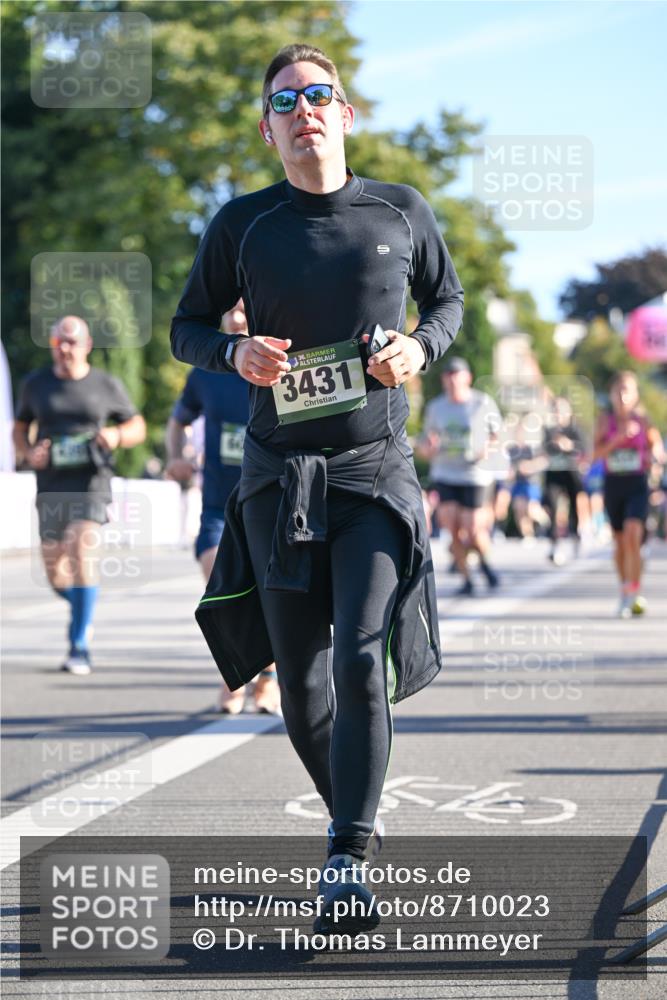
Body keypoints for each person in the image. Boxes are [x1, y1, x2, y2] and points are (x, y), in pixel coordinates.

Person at [170, 43, 464, 934]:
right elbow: (184, 327)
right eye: (286, 99)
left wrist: (420, 347)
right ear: (268, 129)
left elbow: (448, 304)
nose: (305, 109)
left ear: (346, 112)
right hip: (275, 480)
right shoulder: (242, 225)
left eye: (320, 94)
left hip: (372, 470)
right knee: (298, 687)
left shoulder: (399, 209)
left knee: (356, 657)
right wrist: (233, 353)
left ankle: (347, 855)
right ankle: (352, 819)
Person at [13, 316, 146, 674]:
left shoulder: (105, 384)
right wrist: (28, 454)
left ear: (87, 345)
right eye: (60, 342)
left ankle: (79, 645)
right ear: (53, 345)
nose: (66, 349)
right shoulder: (35, 385)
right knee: (56, 572)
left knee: (82, 547)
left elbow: (137, 426)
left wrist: (117, 437)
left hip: (92, 481)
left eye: (73, 342)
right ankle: (81, 606)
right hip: (51, 484)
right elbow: (20, 428)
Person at [166, 300, 280, 714]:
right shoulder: (207, 372)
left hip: (269, 502)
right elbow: (178, 421)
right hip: (217, 506)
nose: (235, 319)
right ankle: (235, 675)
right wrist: (176, 456)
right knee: (222, 583)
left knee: (267, 595)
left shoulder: (279, 368)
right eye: (229, 311)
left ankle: (265, 679)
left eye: (245, 310)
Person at [417, 357, 501, 596]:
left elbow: (498, 435)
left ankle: (485, 562)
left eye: (457, 375)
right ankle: (467, 579)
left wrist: (487, 449)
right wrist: (428, 448)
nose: (453, 380)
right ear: (444, 380)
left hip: (475, 474)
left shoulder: (482, 403)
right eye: (448, 375)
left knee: (473, 529)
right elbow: (425, 442)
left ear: (467, 378)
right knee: (451, 525)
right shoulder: (436, 407)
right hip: (445, 472)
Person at [593, 371, 664, 618]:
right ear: (612, 394)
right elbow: (595, 454)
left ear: (635, 395)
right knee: (621, 543)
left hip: (637, 484)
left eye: (627, 391)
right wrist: (618, 440)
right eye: (618, 390)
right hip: (613, 484)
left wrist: (655, 456)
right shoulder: (605, 420)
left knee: (634, 535)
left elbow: (657, 446)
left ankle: (633, 593)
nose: (622, 396)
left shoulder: (644, 420)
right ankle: (625, 590)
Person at [542, 396, 587, 565]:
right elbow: (543, 450)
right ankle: (555, 545)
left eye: (562, 410)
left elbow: (584, 450)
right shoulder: (548, 430)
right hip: (553, 474)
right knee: (552, 508)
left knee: (573, 507)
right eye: (556, 410)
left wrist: (570, 447)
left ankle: (576, 536)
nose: (559, 413)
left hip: (571, 473)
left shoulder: (575, 430)